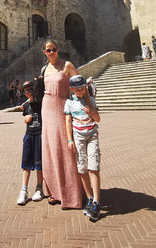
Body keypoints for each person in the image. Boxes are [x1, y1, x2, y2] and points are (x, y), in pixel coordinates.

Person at [40, 39, 84, 209]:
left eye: (54, 49)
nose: (51, 52)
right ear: (44, 52)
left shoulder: (67, 66)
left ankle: (71, 195)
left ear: (58, 50)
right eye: (48, 50)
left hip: (62, 109)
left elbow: (81, 85)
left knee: (65, 149)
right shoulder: (45, 69)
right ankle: (54, 191)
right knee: (50, 150)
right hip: (47, 109)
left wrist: (86, 106)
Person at [65, 75, 102, 221]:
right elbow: (68, 122)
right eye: (77, 88)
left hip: (92, 135)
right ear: (71, 89)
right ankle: (90, 198)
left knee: (94, 167)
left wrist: (91, 112)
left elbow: (98, 119)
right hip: (78, 137)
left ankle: (97, 202)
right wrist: (69, 139)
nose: (80, 90)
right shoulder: (68, 103)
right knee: (82, 168)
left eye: (82, 87)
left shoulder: (90, 100)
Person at [17, 80, 45, 205]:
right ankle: (24, 190)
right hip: (29, 135)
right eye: (26, 90)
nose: (29, 92)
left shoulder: (41, 103)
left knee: (39, 164)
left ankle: (39, 187)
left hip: (39, 135)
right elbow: (25, 115)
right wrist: (25, 118)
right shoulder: (26, 105)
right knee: (26, 164)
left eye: (30, 89)